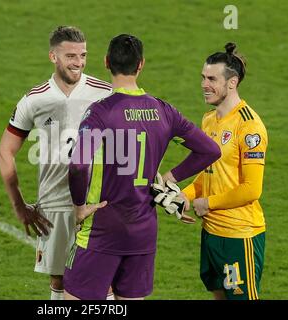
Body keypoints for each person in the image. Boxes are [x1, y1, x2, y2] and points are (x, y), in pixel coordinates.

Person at [63, 34, 221, 300]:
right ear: (141, 65)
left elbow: (78, 166)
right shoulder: (164, 111)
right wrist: (170, 176)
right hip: (143, 232)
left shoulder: (100, 112)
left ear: (106, 63)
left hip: (102, 228)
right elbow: (210, 150)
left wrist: (79, 206)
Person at [0, 26, 112, 300]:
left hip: (97, 203)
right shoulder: (34, 99)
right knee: (60, 281)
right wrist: (19, 206)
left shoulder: (105, 93)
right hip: (54, 204)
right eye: (71, 56)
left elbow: (133, 142)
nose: (79, 62)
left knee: (104, 283)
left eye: (83, 55)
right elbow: (5, 152)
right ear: (53, 57)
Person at [180, 43, 268, 300]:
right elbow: (208, 172)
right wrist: (184, 195)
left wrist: (207, 203)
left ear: (232, 83)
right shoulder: (209, 120)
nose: (204, 84)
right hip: (211, 233)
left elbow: (252, 189)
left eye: (211, 79)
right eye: (203, 78)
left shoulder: (249, 126)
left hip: (239, 236)